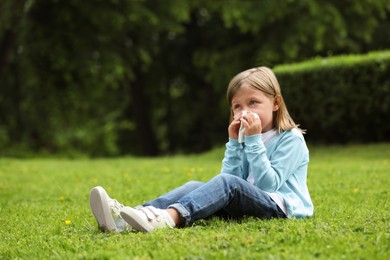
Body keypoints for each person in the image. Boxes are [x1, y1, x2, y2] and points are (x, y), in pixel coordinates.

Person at [89, 66, 314, 233]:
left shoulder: (291, 139)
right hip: (249, 203)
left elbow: (267, 185)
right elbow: (231, 177)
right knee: (195, 185)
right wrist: (235, 143)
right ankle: (130, 216)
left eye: (253, 102)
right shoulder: (248, 136)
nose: (245, 111)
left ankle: (167, 218)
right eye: (237, 106)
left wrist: (253, 141)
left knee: (227, 184)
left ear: (275, 103)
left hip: (281, 209)